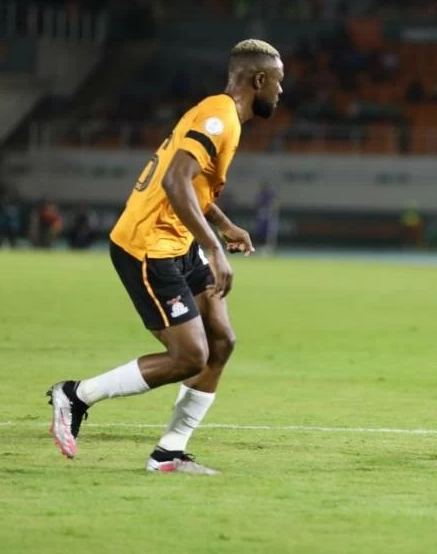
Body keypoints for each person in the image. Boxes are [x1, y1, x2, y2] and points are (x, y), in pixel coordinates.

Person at [47, 39, 285, 474]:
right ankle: (75, 395)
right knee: (189, 356)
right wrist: (215, 247)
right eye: (279, 83)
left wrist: (224, 225)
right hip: (147, 246)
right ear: (259, 79)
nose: (280, 93)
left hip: (177, 242)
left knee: (222, 342)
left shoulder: (223, 116)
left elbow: (189, 184)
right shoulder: (219, 117)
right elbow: (176, 183)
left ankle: (168, 453)